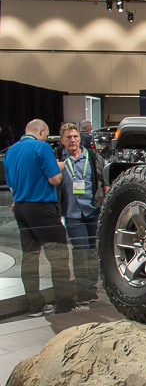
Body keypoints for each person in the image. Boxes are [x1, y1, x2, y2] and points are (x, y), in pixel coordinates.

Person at [3, 120, 78, 316]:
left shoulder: (10, 151)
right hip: (42, 208)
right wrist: (59, 167)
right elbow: (54, 179)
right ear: (42, 131)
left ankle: (35, 306)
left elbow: (11, 185)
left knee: (29, 258)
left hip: (21, 208)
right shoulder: (42, 147)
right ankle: (65, 305)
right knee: (58, 257)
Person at [58, 123, 109, 304]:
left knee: (92, 251)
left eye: (75, 137)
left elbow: (104, 181)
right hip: (72, 213)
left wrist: (105, 204)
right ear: (62, 141)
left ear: (80, 138)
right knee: (80, 252)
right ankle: (82, 291)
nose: (73, 140)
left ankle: (91, 289)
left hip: (92, 211)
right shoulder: (58, 159)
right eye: (68, 137)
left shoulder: (93, 157)